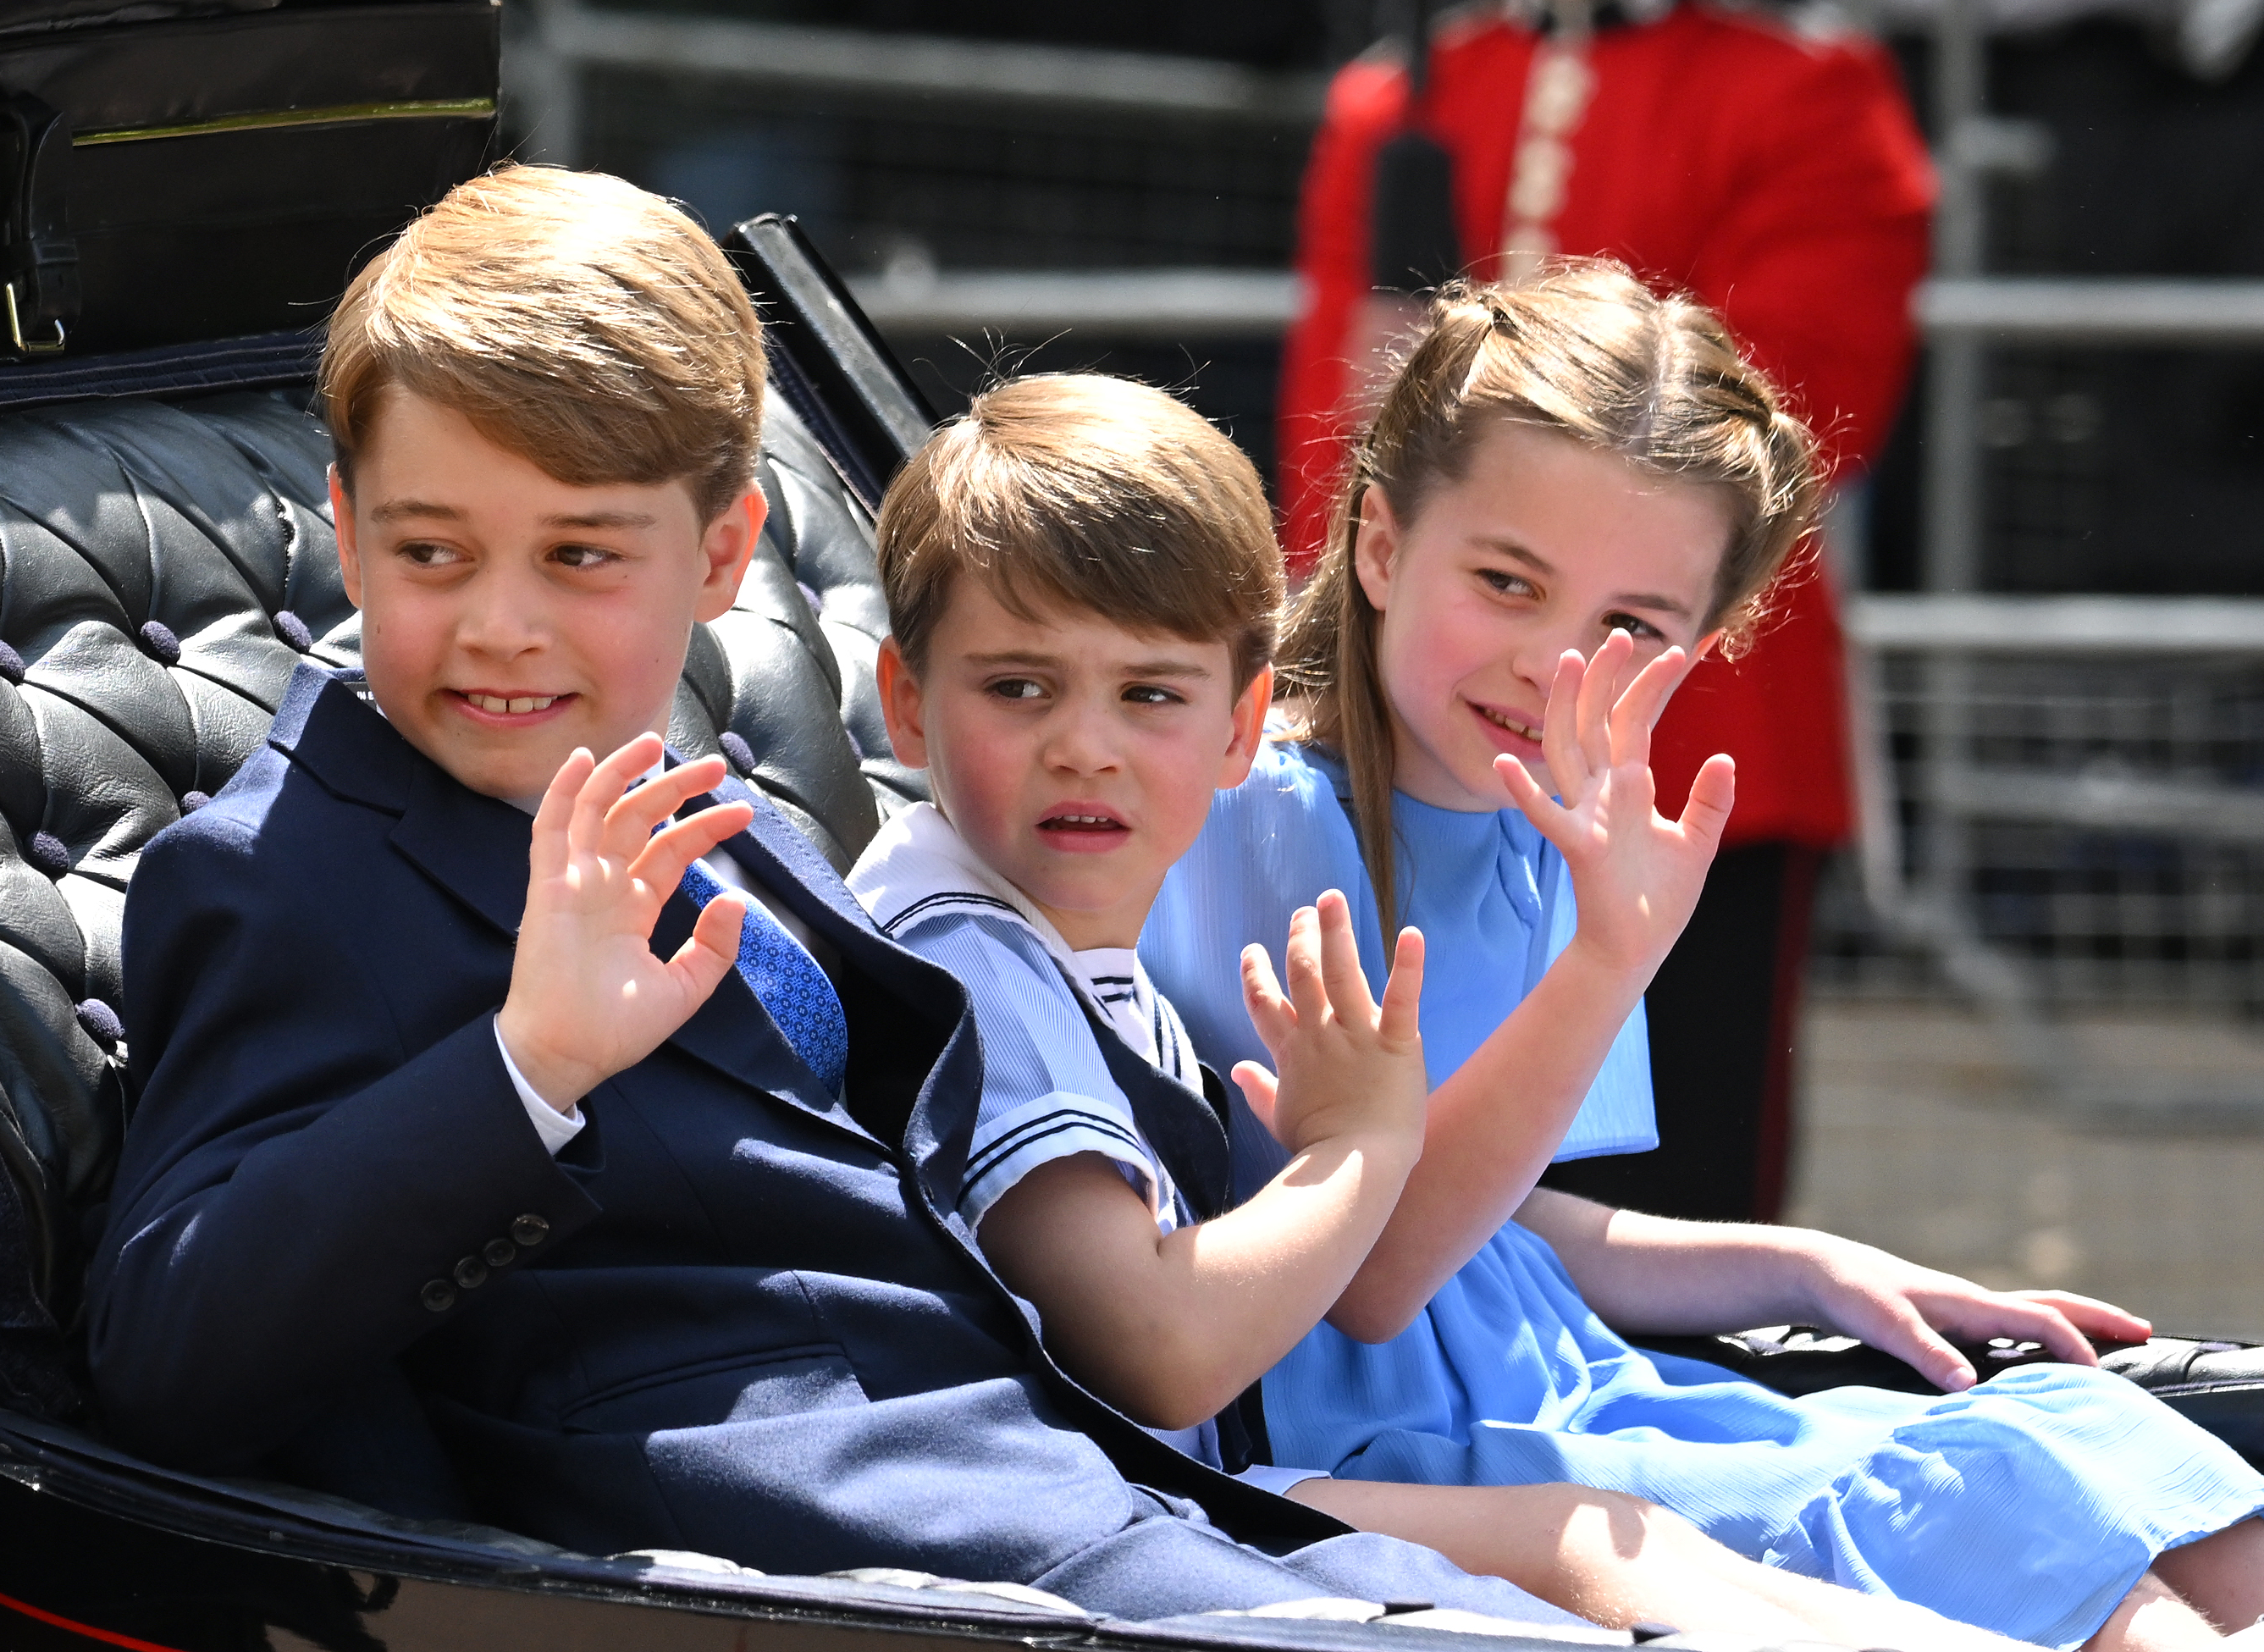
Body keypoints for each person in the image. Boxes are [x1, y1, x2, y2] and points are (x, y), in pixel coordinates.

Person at [82, 163, 1612, 1626]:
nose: (500, 625)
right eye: (433, 552)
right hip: (819, 1550)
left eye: (578, 556)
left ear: (726, 552)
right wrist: (526, 1066)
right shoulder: (279, 873)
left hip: (1069, 1481)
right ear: (347, 534)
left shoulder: (709, 806)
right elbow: (164, 1346)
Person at [844, 369, 2064, 1651]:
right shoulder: (989, 950)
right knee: (1645, 1539)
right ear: (910, 702)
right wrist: (1363, 1144)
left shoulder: (1071, 931)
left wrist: (1797, 1262)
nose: (1085, 747)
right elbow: (1177, 1349)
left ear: (1232, 722)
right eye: (1020, 688)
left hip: (1249, 1466)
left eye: (1148, 694)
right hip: (1194, 1494)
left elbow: (1498, 1230)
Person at [1140, 263, 2264, 1652]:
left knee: (2165, 1492)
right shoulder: (1256, 818)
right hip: (1396, 1446)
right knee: (2050, 1542)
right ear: (1378, 547)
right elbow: (1375, 1275)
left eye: (1628, 628)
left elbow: (1509, 1224)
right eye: (1507, 582)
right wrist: (1608, 959)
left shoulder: (1553, 830)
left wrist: (1801, 1262)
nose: (1555, 667)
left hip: (1579, 1388)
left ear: (1703, 647)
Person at [1281, 0, 1938, 1220]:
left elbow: (1784, 418)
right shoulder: (1394, 102)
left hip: (1682, 737)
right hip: (1419, 724)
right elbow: (1336, 444)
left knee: (1680, 1188)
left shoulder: (1806, 92)